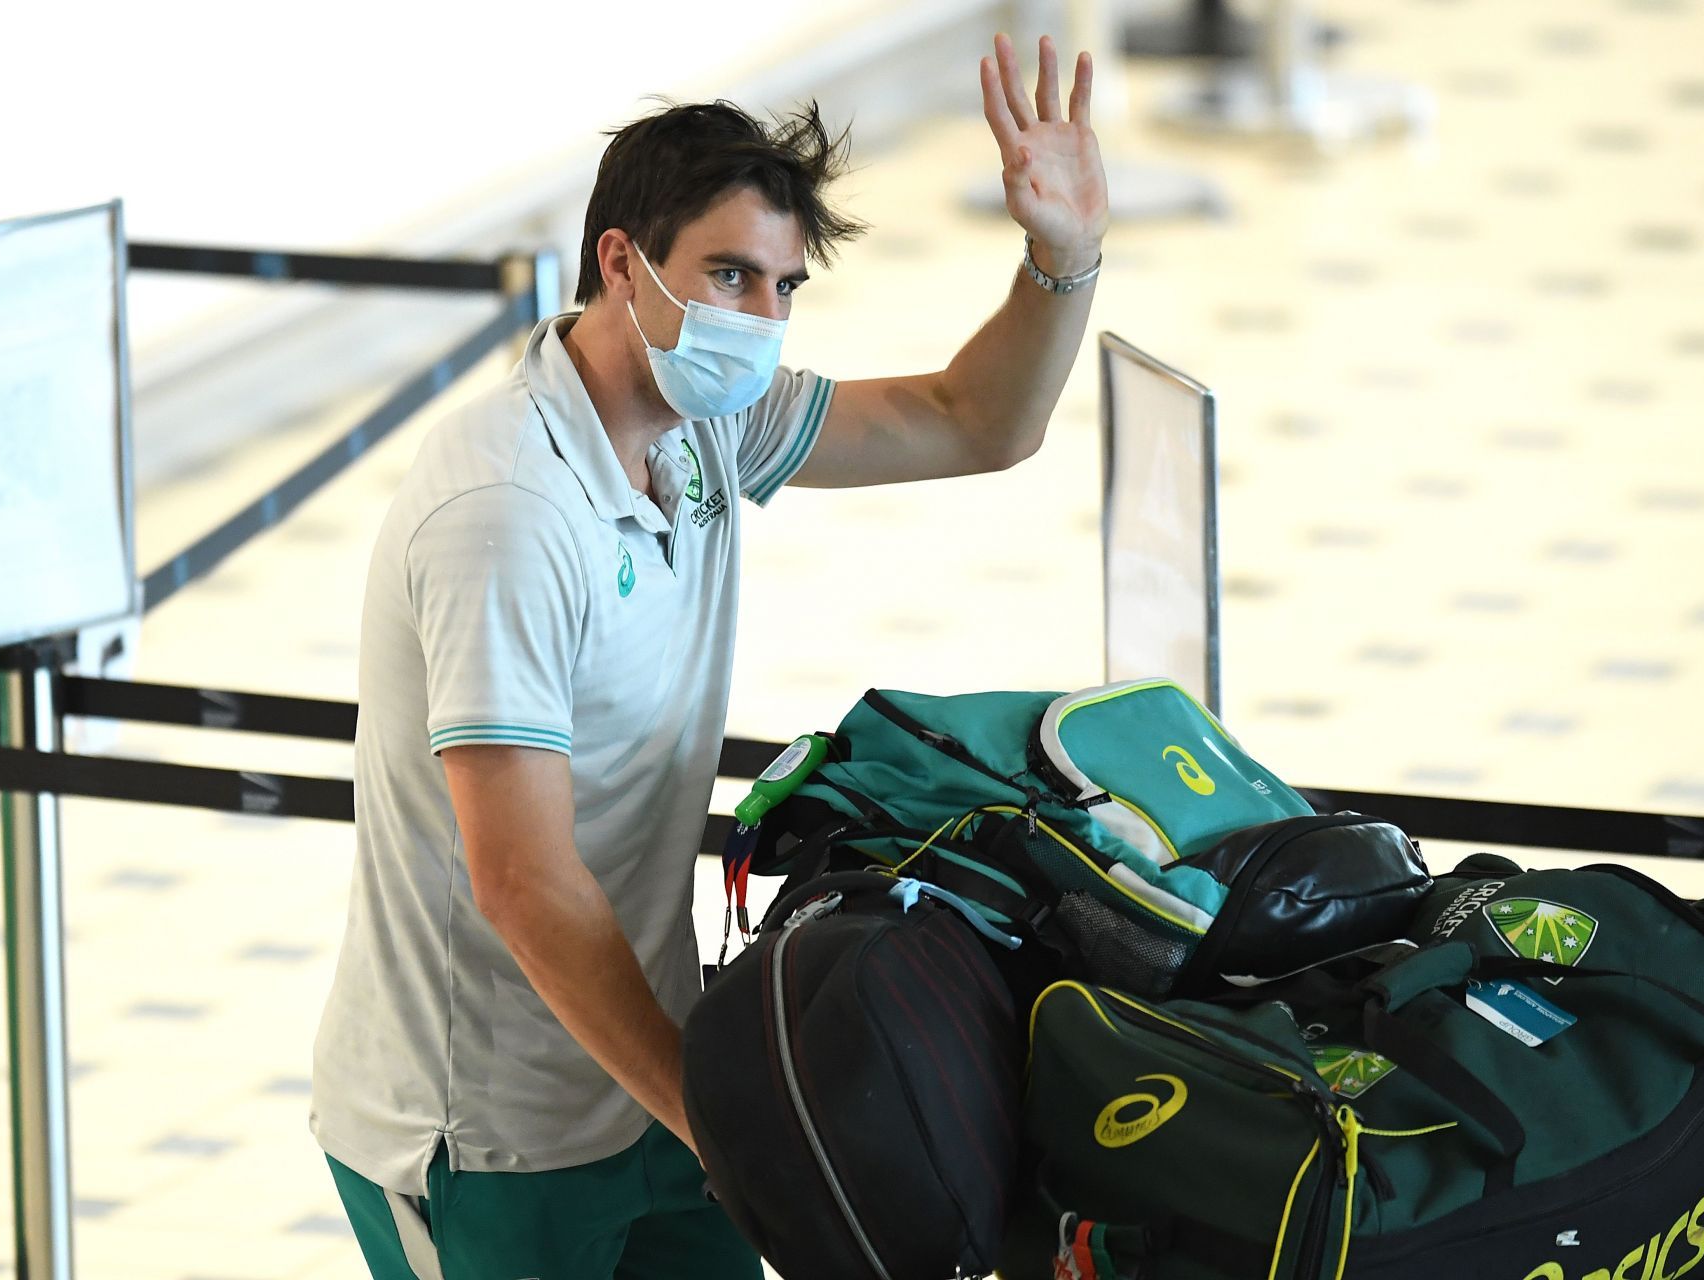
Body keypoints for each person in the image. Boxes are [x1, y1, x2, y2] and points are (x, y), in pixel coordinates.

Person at [312, 31, 1108, 1280]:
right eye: (729, 275)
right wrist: (725, 1122)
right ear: (619, 265)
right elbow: (521, 879)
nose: (761, 319)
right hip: (486, 1136)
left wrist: (1062, 259)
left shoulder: (709, 426)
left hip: (649, 1071)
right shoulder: (509, 511)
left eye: (785, 288)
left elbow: (977, 419)